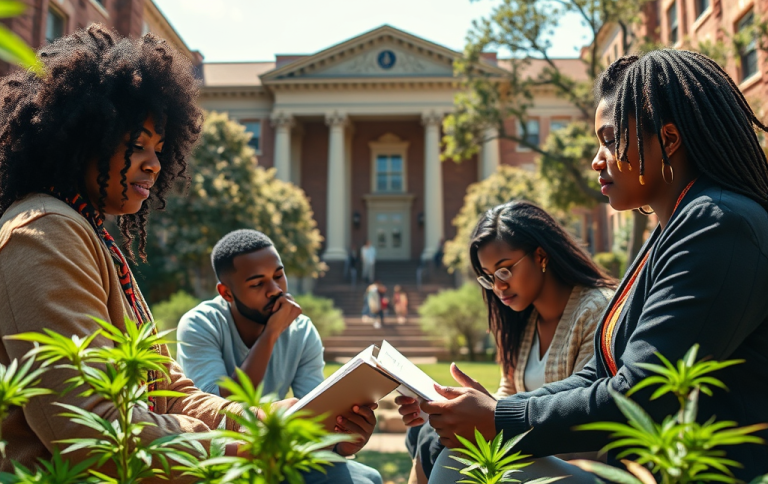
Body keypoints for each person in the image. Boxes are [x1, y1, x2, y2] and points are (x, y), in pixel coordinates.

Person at [0, 25, 381, 484]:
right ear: (80, 138)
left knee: (356, 475)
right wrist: (258, 443)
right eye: (136, 145)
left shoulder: (86, 232)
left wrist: (286, 419)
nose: (155, 165)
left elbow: (169, 392)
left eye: (160, 150)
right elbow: (96, 434)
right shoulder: (44, 234)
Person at [418, 50, 768, 483]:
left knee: (464, 461)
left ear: (670, 140)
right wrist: (497, 408)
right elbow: (600, 371)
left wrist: (501, 419)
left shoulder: (717, 223)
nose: (596, 159)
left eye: (608, 139)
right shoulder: (675, 226)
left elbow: (641, 393)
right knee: (450, 448)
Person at [399, 200, 616, 483]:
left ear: (540, 256)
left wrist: (493, 416)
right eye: (489, 277)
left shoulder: (597, 310)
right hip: (533, 455)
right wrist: (440, 408)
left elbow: (584, 419)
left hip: (583, 465)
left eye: (504, 270)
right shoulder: (523, 321)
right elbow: (506, 399)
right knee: (425, 431)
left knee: (453, 454)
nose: (499, 286)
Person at [176, 229, 381, 482]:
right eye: (257, 283)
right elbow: (220, 413)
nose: (275, 290)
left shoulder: (302, 331)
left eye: (278, 276)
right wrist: (271, 333)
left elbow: (316, 414)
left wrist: (342, 443)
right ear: (227, 293)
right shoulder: (200, 324)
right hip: (220, 458)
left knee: (367, 478)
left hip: (280, 453)